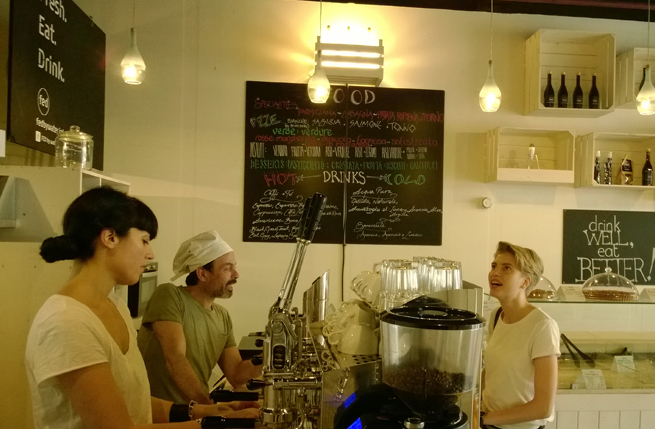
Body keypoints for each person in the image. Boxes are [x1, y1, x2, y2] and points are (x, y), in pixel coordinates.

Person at [25, 187, 259, 429]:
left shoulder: (116, 306)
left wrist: (205, 410)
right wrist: (214, 423)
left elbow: (134, 402)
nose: (150, 254)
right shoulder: (67, 322)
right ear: (110, 237)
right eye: (145, 240)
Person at [137, 230, 262, 405]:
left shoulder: (222, 316)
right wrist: (208, 408)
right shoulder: (169, 296)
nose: (236, 274)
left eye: (234, 267)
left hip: (195, 411)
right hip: (161, 414)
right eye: (227, 268)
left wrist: (272, 355)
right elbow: (175, 358)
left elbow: (236, 375)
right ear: (202, 274)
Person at [480, 241, 560, 429]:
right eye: (494, 266)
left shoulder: (542, 325)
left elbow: (543, 408)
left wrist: (486, 419)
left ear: (525, 282)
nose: (495, 273)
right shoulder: (497, 316)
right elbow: (491, 371)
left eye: (506, 268)